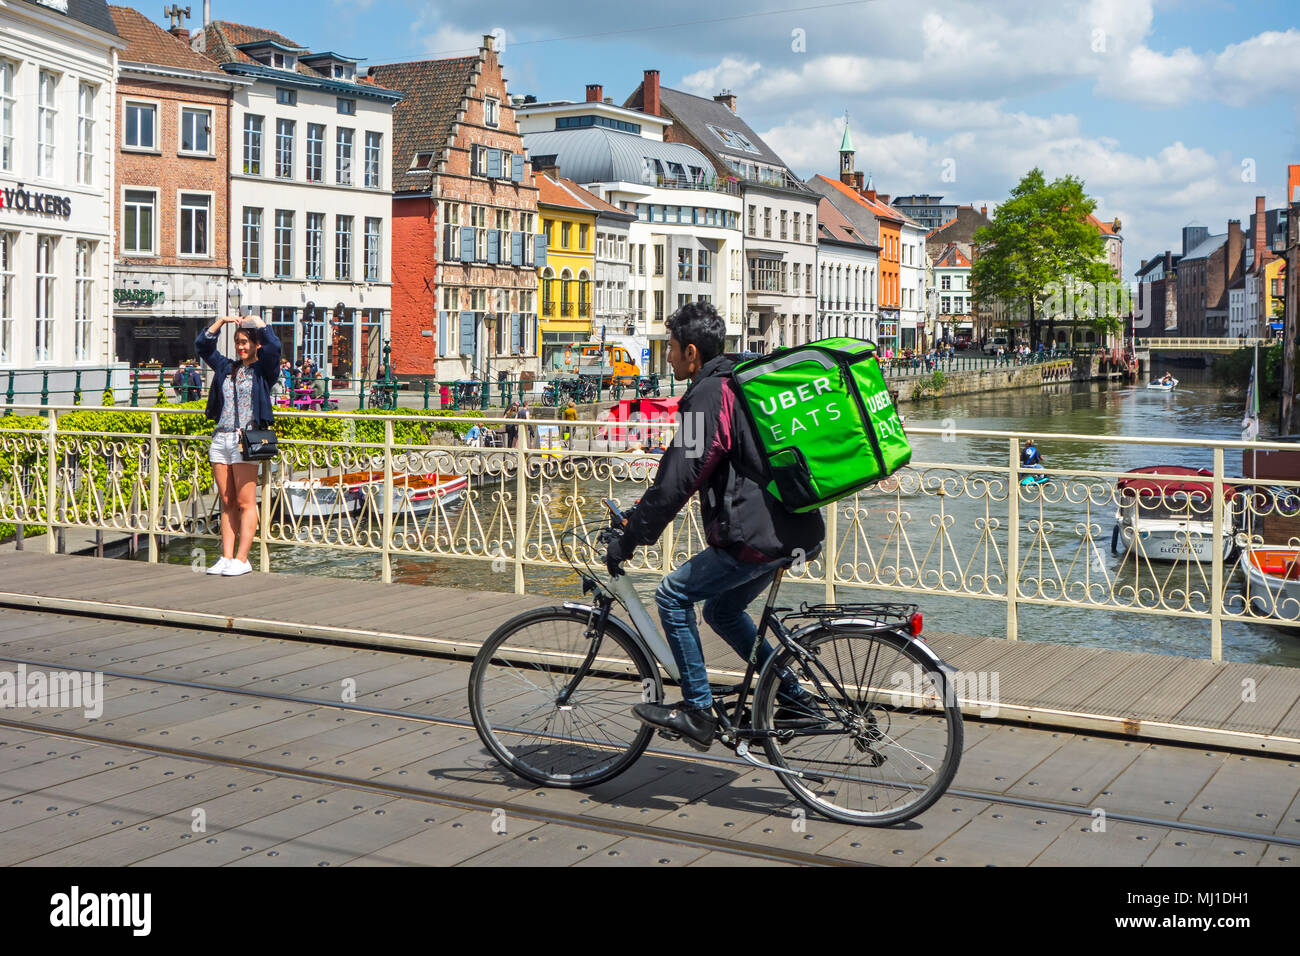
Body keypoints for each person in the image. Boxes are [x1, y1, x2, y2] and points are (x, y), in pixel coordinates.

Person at [603, 301, 825, 750]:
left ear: (690, 352)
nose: (666, 357)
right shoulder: (737, 379)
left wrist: (631, 537)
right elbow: (681, 475)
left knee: (672, 594)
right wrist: (640, 517)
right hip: (791, 528)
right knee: (721, 610)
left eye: (669, 348)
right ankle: (796, 699)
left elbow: (678, 477)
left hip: (756, 537)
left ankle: (698, 710)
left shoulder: (706, 395)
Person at [196, 314, 282, 577]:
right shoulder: (227, 368)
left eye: (245, 342)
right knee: (226, 500)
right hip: (220, 439)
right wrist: (220, 323)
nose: (241, 347)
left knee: (246, 502)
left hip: (245, 440)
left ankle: (243, 559)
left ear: (256, 345)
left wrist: (257, 322)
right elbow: (203, 346)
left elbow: (275, 347)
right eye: (238, 342)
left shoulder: (263, 370)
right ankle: (226, 556)